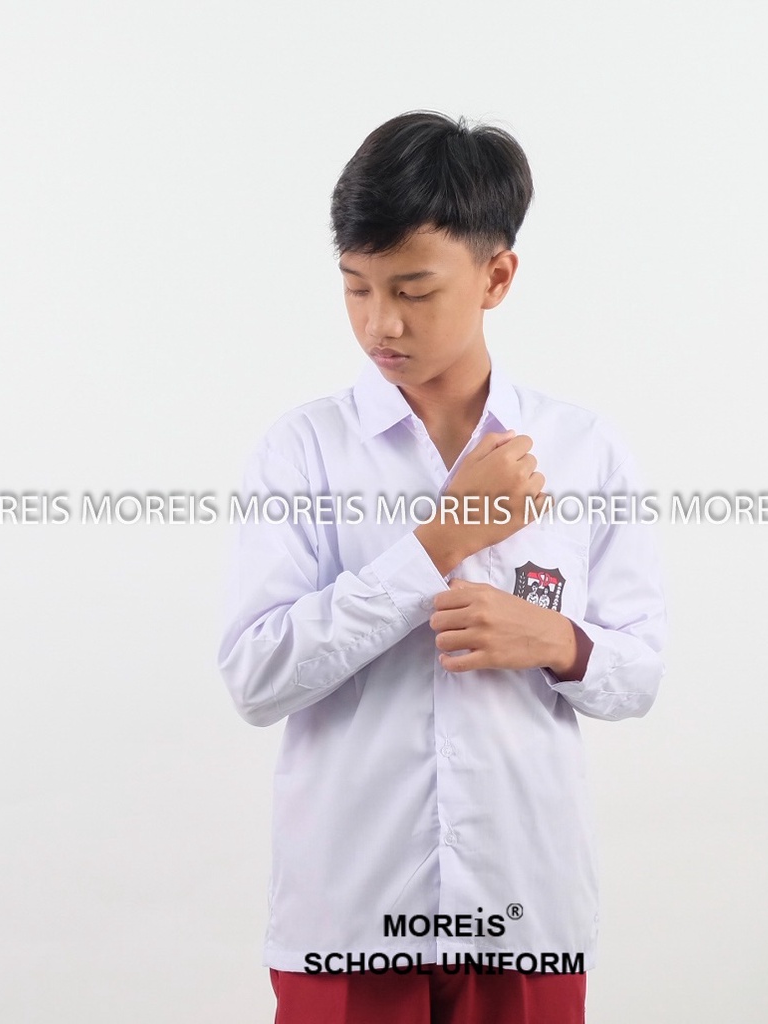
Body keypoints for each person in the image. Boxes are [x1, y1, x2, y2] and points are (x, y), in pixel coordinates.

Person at [217, 110, 666, 1024]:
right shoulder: (302, 452)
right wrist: (438, 545)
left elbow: (640, 674)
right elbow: (256, 677)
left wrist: (559, 642)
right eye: (356, 288)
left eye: (413, 290)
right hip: (349, 916)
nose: (378, 323)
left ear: (496, 277)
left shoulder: (582, 449)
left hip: (524, 910)